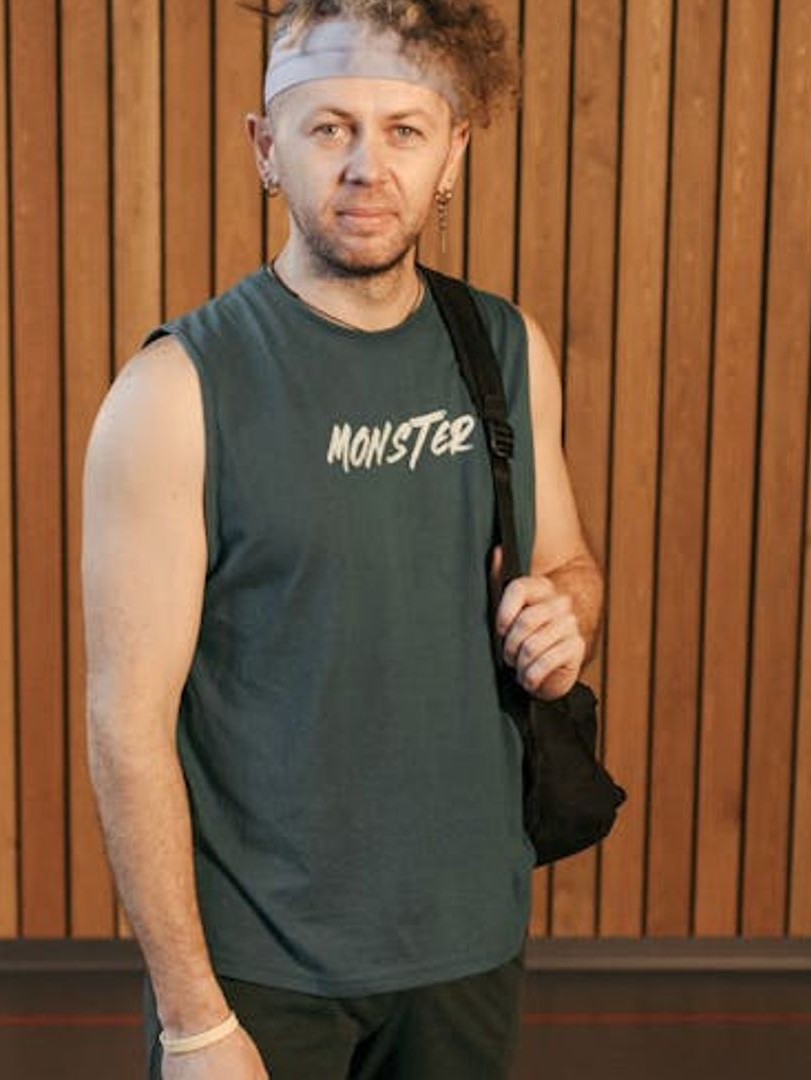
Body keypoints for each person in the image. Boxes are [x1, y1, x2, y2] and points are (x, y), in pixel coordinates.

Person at [82, 2, 603, 1077]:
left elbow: (570, 568)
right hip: (261, 969)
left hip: (467, 943)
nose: (368, 166)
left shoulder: (503, 347)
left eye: (404, 131)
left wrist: (568, 615)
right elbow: (126, 728)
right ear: (266, 148)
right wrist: (193, 1019)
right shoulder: (178, 391)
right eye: (329, 129)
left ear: (453, 151)